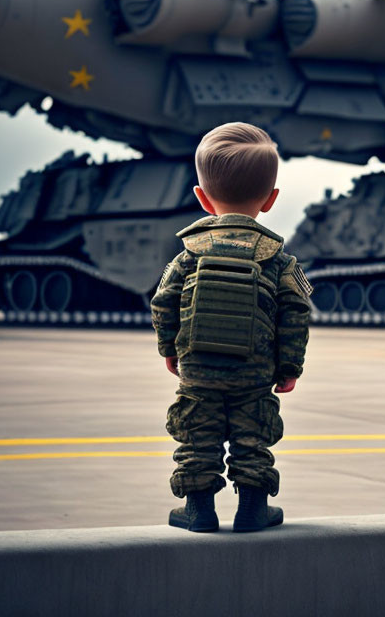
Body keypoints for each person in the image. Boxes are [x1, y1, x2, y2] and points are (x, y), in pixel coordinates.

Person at [150, 122, 311, 533]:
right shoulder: (277, 259)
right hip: (254, 370)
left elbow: (164, 302)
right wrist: (289, 367)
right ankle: (253, 511)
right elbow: (295, 313)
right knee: (253, 436)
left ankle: (198, 511)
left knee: (196, 435)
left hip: (198, 367)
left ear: (202, 199)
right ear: (271, 199)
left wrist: (170, 349)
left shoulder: (189, 255)